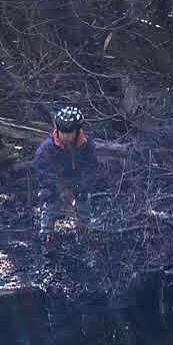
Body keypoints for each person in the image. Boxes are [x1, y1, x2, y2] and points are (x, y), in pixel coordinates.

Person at [32, 105, 98, 246]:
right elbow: (42, 170)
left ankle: (84, 234)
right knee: (49, 202)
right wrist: (59, 188)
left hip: (77, 180)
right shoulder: (48, 147)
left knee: (83, 203)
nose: (65, 136)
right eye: (62, 132)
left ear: (77, 131)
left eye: (69, 132)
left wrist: (83, 184)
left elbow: (92, 167)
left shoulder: (86, 145)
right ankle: (46, 235)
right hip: (55, 182)